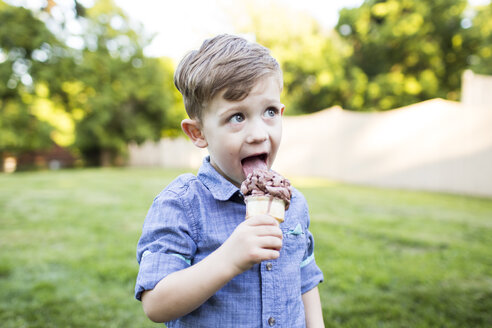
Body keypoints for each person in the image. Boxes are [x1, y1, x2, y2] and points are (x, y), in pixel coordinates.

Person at [135, 34, 324, 327]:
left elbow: (306, 279)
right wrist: (229, 258)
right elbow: (156, 304)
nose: (259, 133)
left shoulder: (294, 202)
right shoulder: (183, 204)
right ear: (198, 133)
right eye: (237, 117)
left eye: (269, 112)